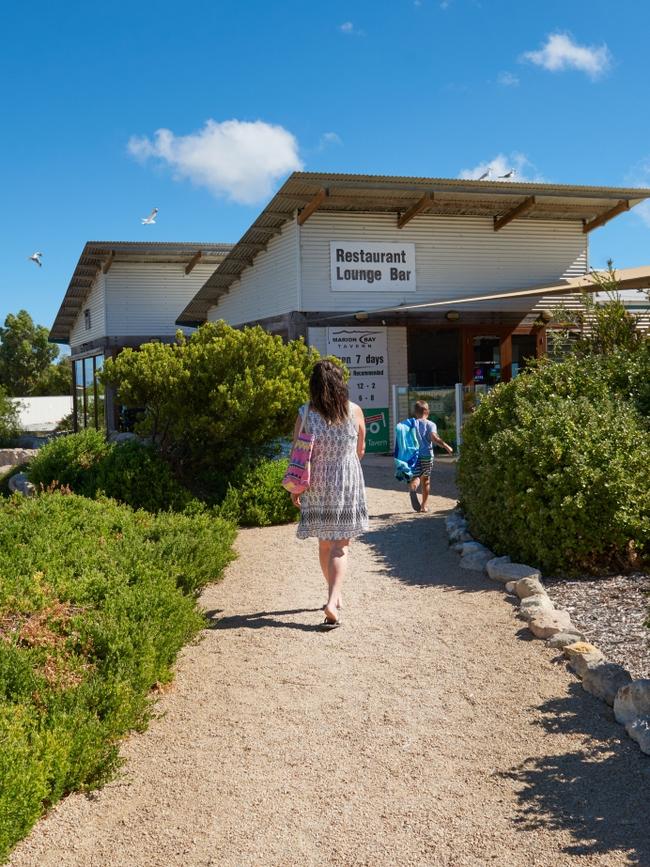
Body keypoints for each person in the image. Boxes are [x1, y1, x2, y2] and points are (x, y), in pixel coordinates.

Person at [289, 360, 369, 628]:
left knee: (325, 543)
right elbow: (360, 451)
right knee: (341, 546)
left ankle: (333, 594)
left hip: (316, 483)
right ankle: (333, 600)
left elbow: (296, 453)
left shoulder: (305, 413)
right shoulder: (354, 411)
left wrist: (295, 487)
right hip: (346, 482)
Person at [406, 400, 453, 513]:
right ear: (427, 411)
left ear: (415, 412)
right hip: (427, 455)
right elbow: (434, 438)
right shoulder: (430, 424)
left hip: (414, 456)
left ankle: (413, 488)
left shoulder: (411, 424)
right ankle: (424, 506)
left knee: (416, 477)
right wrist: (446, 446)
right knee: (426, 480)